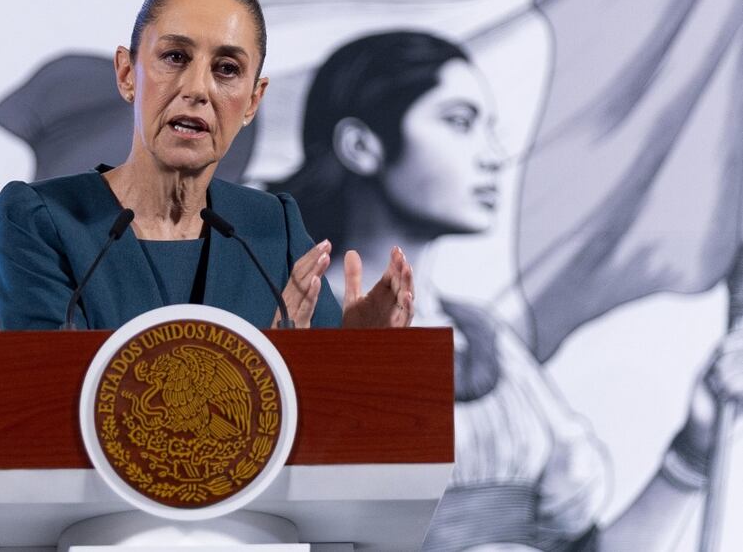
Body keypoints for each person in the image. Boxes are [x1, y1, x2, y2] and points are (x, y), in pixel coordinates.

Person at [272, 31, 743, 551]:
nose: (495, 155)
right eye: (459, 122)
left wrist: (694, 449)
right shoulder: (295, 327)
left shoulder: (486, 338)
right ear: (361, 146)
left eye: (490, 128)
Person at [0, 0, 414, 332]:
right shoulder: (43, 219)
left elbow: (327, 387)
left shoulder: (272, 227)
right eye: (175, 57)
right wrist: (266, 360)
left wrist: (357, 351)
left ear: (252, 101)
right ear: (126, 74)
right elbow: (53, 387)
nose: (197, 89)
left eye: (227, 69)